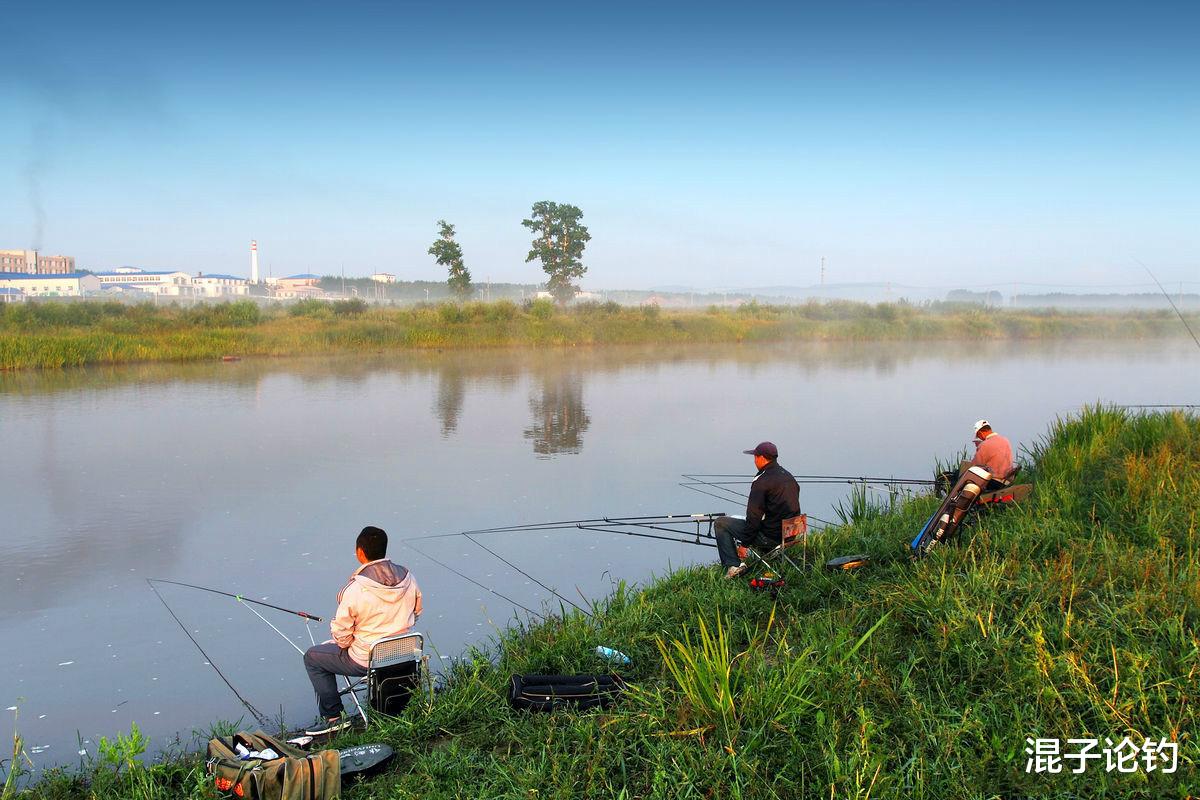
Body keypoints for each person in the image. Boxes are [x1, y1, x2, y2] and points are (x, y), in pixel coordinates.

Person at [302, 526, 422, 735]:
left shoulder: (355, 589)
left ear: (360, 553)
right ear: (384, 549)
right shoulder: (409, 578)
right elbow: (417, 611)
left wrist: (345, 645)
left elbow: (341, 633)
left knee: (312, 657)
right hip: (405, 654)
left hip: (367, 659)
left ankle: (333, 718)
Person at [714, 441, 801, 579]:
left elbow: (754, 517)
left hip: (771, 538)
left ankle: (734, 566)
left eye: (755, 456)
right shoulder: (788, 476)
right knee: (750, 521)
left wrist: (745, 544)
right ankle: (769, 553)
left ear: (761, 458)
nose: (754, 460)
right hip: (789, 534)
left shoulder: (761, 481)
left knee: (720, 523)